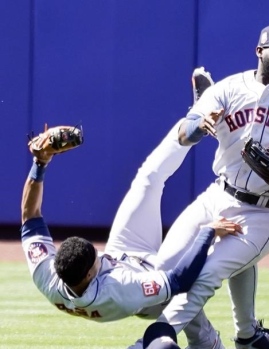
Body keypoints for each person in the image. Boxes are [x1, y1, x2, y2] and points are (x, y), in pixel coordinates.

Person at [145, 23, 269, 349]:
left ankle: (150, 343)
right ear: (260, 51)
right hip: (219, 195)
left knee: (204, 277)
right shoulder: (228, 89)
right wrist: (199, 126)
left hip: (266, 212)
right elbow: (185, 133)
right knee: (159, 278)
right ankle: (237, 337)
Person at [21, 96, 240, 347]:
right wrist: (208, 233)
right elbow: (179, 280)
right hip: (150, 292)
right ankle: (214, 340)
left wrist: (40, 163)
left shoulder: (48, 277)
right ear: (91, 273)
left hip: (126, 253)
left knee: (148, 177)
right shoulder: (118, 289)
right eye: (96, 257)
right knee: (208, 259)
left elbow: (30, 217)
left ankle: (194, 124)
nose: (98, 253)